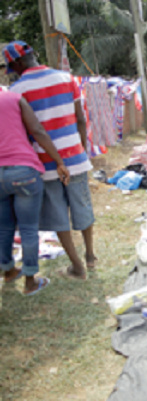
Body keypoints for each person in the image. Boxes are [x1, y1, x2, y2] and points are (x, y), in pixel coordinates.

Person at [6, 41, 96, 280]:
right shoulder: (67, 79)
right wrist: (81, 150)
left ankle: (77, 266)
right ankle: (90, 255)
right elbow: (80, 119)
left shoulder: (16, 90)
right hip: (75, 157)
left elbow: (29, 130)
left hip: (45, 162)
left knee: (58, 215)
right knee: (83, 205)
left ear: (17, 63)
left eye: (11, 67)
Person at [0, 90, 70, 294]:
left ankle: (9, 271)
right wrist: (59, 161)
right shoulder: (13, 98)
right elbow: (37, 131)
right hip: (24, 171)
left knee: (3, 228)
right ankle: (30, 282)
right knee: (28, 228)